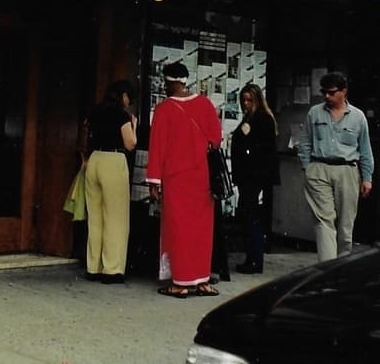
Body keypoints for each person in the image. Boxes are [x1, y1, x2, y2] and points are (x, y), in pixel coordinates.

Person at [146, 62, 222, 298]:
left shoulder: (164, 109)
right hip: (202, 178)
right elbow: (216, 139)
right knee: (202, 230)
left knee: (178, 230)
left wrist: (154, 181)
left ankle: (180, 283)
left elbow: (157, 148)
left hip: (176, 179)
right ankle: (202, 280)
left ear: (169, 82)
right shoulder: (205, 105)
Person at [298, 71, 374, 262]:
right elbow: (305, 142)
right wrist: (308, 168)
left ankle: (341, 267)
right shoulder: (314, 113)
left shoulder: (358, 117)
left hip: (347, 170)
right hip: (319, 168)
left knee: (345, 226)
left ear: (344, 91)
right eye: (324, 92)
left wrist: (367, 177)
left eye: (331, 92)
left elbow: (365, 149)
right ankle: (327, 269)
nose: (326, 96)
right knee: (324, 221)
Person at [81, 80, 138, 283]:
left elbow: (85, 136)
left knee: (95, 218)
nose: (129, 101)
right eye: (128, 97)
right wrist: (134, 126)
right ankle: (111, 269)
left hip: (94, 160)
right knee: (116, 218)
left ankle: (93, 267)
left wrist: (85, 159)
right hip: (114, 161)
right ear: (123, 96)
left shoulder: (95, 112)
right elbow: (130, 144)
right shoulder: (122, 115)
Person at [229, 83, 279, 274]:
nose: (245, 103)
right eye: (243, 100)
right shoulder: (250, 118)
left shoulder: (263, 119)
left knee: (251, 216)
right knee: (248, 215)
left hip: (254, 176)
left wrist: (247, 137)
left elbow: (264, 149)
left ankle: (255, 259)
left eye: (249, 100)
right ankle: (252, 257)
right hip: (248, 175)